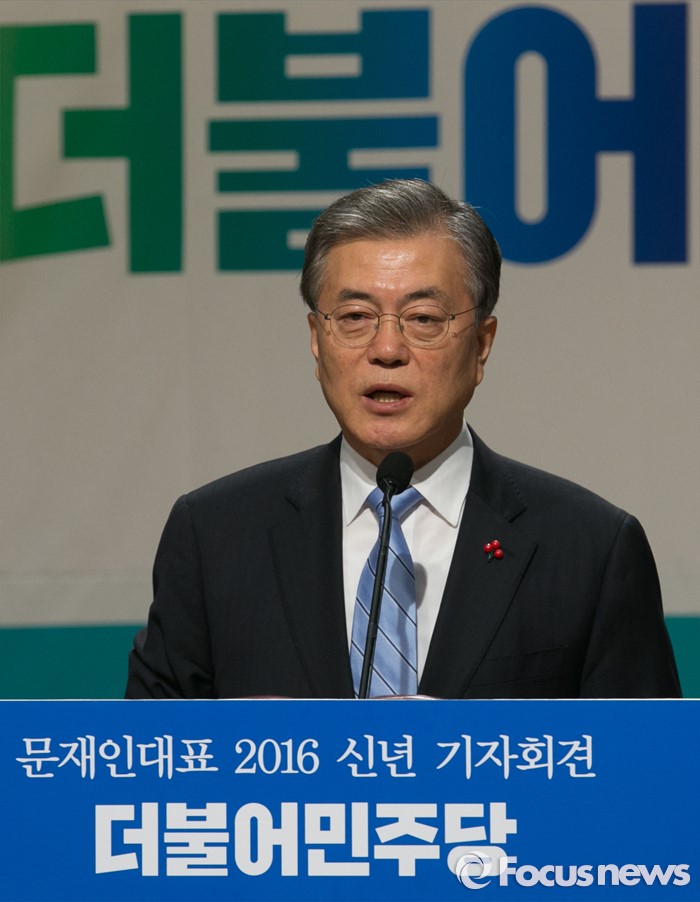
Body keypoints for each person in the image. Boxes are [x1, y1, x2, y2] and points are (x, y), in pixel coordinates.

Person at [126, 179, 680, 700]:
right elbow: (151, 756)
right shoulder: (214, 536)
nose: (386, 349)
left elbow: (648, 763)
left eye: (423, 319)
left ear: (481, 344)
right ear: (317, 340)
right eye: (355, 316)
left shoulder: (590, 550)